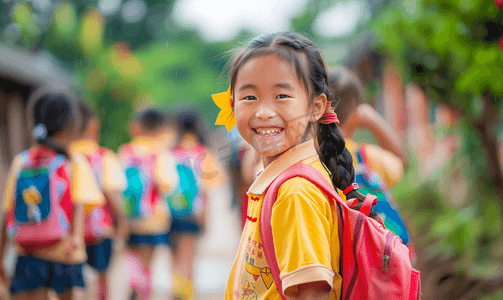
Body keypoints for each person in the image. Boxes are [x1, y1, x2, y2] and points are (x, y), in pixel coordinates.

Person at [214, 31, 381, 300]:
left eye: (281, 96)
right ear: (232, 105)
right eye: (249, 98)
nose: (263, 111)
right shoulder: (280, 181)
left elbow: (312, 295)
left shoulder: (296, 193)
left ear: (316, 107)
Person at [0, 91, 104, 300]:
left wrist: (1, 255)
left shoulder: (22, 161)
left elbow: (8, 212)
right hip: (66, 254)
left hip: (27, 254)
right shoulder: (74, 162)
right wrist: (76, 239)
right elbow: (81, 206)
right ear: (71, 126)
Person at [327, 66, 414, 254]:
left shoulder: (307, 158)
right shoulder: (365, 158)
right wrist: (373, 120)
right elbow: (402, 161)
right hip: (374, 264)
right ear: (356, 112)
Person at [69, 101, 128, 300]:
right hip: (101, 230)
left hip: (69, 232)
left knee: (76, 278)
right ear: (94, 126)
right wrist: (122, 221)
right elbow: (111, 193)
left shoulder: (65, 156)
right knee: (102, 276)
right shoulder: (105, 156)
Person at [118, 108, 177, 300]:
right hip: (153, 219)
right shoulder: (161, 153)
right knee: (148, 261)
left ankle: (135, 281)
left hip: (129, 216)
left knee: (132, 254)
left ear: (136, 127)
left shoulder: (126, 151)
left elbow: (117, 184)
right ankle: (144, 290)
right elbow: (167, 185)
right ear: (161, 129)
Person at [165, 110, 223, 300]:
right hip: (193, 212)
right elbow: (207, 188)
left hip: (171, 211)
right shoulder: (203, 153)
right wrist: (206, 215)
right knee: (189, 255)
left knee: (174, 254)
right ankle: (186, 293)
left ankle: (177, 288)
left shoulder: (170, 153)